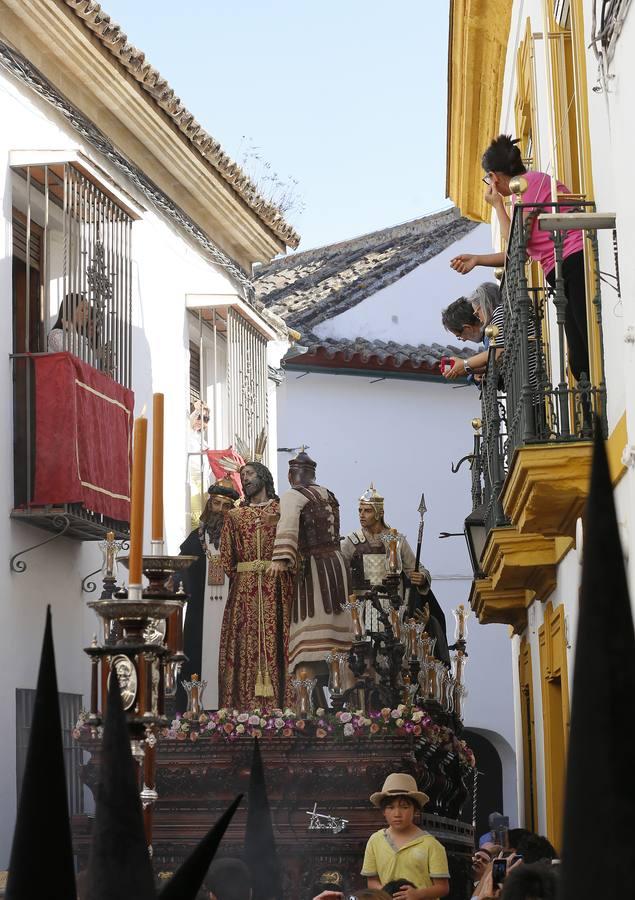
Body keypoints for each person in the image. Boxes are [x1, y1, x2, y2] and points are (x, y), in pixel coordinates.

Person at [450, 134, 589, 382]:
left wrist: (497, 205)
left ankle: (593, 406)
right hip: (560, 267)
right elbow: (516, 249)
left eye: (488, 179)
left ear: (493, 176)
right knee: (578, 351)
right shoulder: (521, 192)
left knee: (583, 342)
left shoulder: (528, 184)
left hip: (573, 259)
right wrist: (477, 260)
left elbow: (515, 244)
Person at [341, 485, 449, 664]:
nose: (361, 514)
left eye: (367, 510)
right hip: (362, 611)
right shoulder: (351, 542)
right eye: (360, 510)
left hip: (393, 609)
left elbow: (416, 568)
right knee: (366, 659)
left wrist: (421, 577)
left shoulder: (397, 541)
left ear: (379, 513)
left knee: (394, 659)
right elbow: (337, 566)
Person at [270, 449, 352, 686]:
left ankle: (305, 705)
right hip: (337, 565)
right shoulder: (329, 494)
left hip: (314, 569)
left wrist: (280, 559)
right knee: (338, 644)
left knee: (308, 640)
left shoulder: (292, 496)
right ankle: (345, 703)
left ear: (291, 474)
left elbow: (289, 526)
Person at [219, 461, 294, 708]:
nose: (246, 479)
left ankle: (283, 705)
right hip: (245, 590)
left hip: (277, 587)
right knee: (246, 642)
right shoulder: (234, 515)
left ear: (263, 476)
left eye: (250, 474)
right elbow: (227, 560)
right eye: (243, 476)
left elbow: (296, 548)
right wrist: (247, 576)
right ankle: (243, 705)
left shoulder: (283, 511)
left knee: (278, 639)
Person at [177, 477, 240, 712]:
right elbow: (182, 568)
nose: (221, 511)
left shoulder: (238, 540)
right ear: (208, 505)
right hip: (200, 613)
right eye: (216, 504)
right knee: (195, 655)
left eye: (226, 506)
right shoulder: (195, 539)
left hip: (231, 610)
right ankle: (194, 708)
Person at [361, 773, 450, 899]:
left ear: (415, 809)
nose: (397, 813)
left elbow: (442, 887)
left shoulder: (431, 845)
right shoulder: (375, 840)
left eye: (404, 807)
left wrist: (418, 894)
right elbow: (372, 881)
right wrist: (387, 895)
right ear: (383, 812)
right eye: (390, 807)